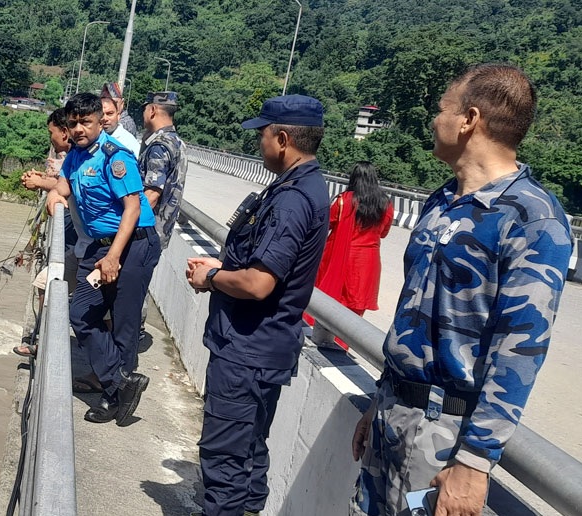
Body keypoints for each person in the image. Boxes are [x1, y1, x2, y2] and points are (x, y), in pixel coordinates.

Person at [350, 64, 573, 516]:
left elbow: (520, 348)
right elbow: (412, 315)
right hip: (392, 414)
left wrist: (474, 460)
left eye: (442, 108)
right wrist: (380, 400)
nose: (435, 120)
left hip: (445, 436)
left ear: (469, 119)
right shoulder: (441, 201)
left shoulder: (532, 218)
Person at [185, 94, 330, 516]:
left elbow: (258, 283)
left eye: (262, 135)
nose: (258, 143)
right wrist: (222, 267)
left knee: (225, 459)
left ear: (282, 139)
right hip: (262, 349)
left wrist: (212, 277)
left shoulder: (292, 199)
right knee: (249, 449)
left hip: (247, 352)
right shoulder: (298, 186)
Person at [46, 92, 160, 425]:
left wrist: (113, 257)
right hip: (100, 244)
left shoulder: (115, 157)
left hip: (133, 245)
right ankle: (121, 382)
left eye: (86, 122)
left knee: (123, 324)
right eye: (73, 123)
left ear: (100, 121)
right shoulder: (76, 155)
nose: (79, 129)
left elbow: (133, 209)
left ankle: (114, 399)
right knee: (80, 313)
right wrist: (52, 194)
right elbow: (64, 186)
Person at [304, 162, 393, 349]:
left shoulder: (344, 200)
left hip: (340, 257)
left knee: (329, 300)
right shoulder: (385, 204)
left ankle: (321, 338)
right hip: (367, 261)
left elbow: (327, 224)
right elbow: (383, 233)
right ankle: (343, 345)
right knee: (354, 305)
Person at [14, 108, 75, 358]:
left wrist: (40, 183)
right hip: (83, 240)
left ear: (64, 132)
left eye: (52, 133)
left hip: (84, 241)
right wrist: (42, 179)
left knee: (44, 283)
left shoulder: (80, 155)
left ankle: (43, 342)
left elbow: (70, 184)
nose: (51, 138)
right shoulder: (78, 154)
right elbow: (63, 181)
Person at [139, 91, 188, 251]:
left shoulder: (159, 147)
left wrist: (124, 227)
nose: (143, 114)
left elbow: (151, 195)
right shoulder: (177, 142)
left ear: (152, 110)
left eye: (145, 109)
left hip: (144, 233)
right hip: (161, 231)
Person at [99, 88, 141, 157]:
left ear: (118, 115)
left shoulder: (128, 142)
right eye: (101, 114)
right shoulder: (93, 137)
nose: (105, 119)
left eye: (110, 114)